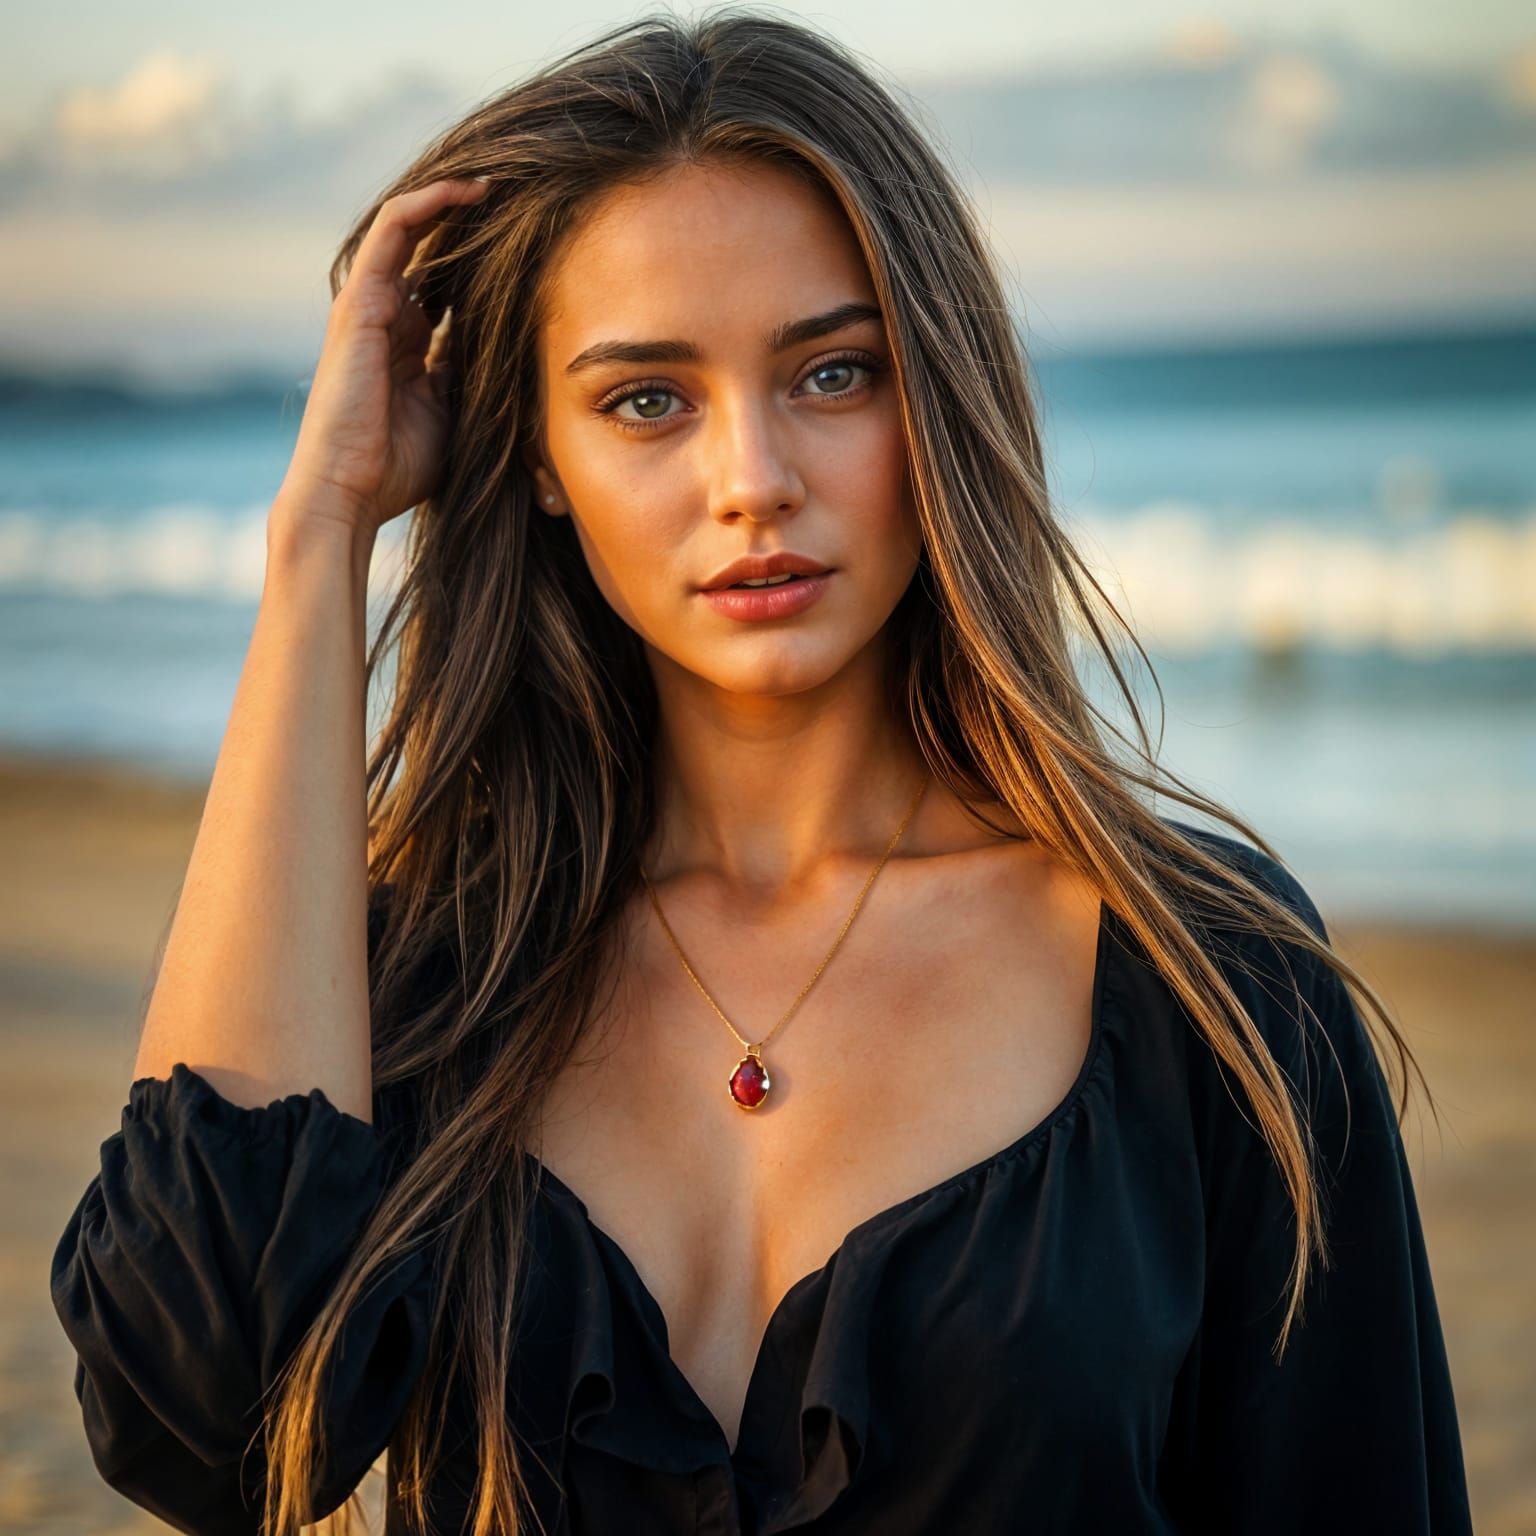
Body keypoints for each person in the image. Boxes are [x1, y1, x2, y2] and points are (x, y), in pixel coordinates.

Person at [50, 10, 1474, 1535]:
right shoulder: (426, 981)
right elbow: (190, 1417)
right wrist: (320, 536)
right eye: (645, 400)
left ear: (937, 393)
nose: (754, 482)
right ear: (533, 454)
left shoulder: (1216, 983)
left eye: (836, 372)